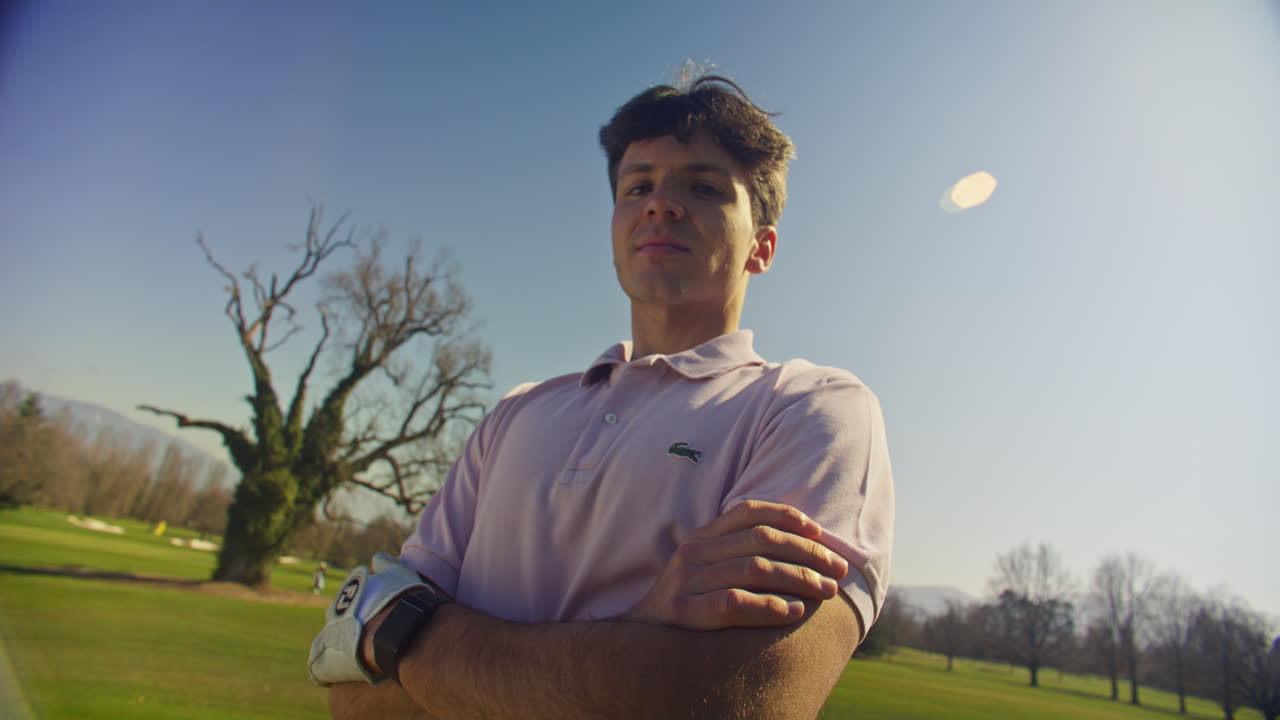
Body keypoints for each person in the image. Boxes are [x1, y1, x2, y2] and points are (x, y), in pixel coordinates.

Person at [309, 73, 895, 720]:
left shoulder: (811, 410)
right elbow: (351, 699)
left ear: (762, 247)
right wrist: (637, 632)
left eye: (703, 188)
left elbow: (736, 701)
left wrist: (409, 641)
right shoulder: (516, 414)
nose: (660, 204)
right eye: (637, 186)